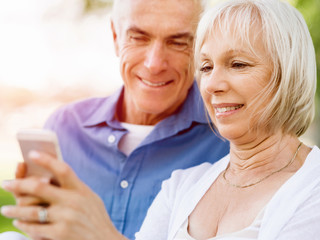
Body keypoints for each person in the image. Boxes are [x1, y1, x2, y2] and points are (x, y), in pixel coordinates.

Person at [4, 0, 318, 239]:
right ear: (115, 37)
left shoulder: (305, 186)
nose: (212, 85)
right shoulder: (184, 186)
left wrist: (100, 232)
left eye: (237, 64)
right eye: (206, 67)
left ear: (286, 73)